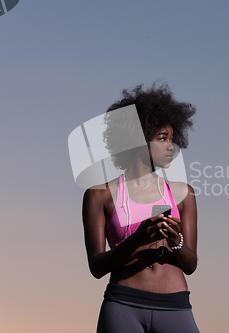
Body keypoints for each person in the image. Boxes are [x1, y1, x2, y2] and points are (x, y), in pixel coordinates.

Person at [82, 83, 200, 333]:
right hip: (122, 305)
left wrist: (175, 240)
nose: (171, 146)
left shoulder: (183, 194)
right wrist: (138, 238)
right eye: (162, 138)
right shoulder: (98, 195)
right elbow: (97, 267)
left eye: (172, 138)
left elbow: (190, 265)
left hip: (175, 306)